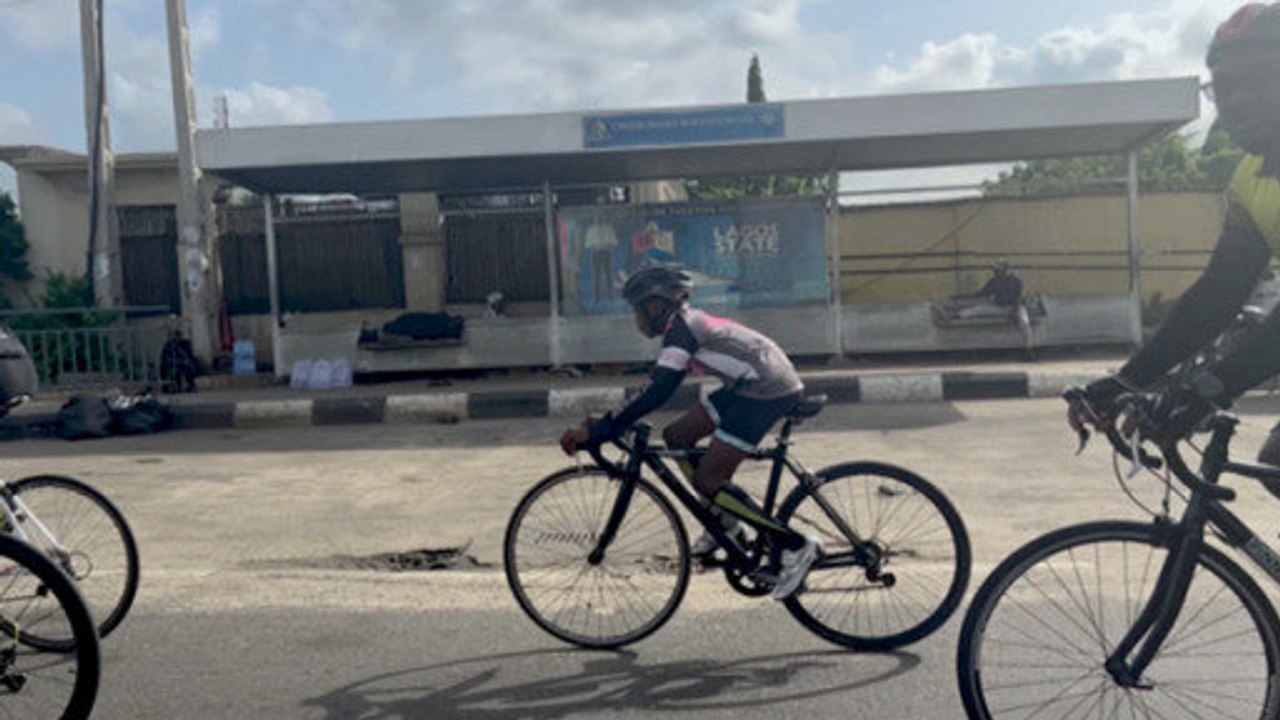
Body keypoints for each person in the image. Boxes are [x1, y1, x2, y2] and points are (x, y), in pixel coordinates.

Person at [1069, 3, 1280, 456]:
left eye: (1260, 78)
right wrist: (1128, 379)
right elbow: (1219, 293)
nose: (1238, 100)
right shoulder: (1249, 180)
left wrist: (1212, 387)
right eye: (1224, 89)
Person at [558, 263, 819, 600]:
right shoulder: (681, 326)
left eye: (637, 310)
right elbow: (656, 384)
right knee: (677, 438)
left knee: (709, 480)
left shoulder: (683, 330)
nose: (636, 320)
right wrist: (606, 423)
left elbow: (659, 389)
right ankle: (725, 523)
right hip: (748, 384)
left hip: (765, 391)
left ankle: (795, 545)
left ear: (655, 306)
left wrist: (605, 427)